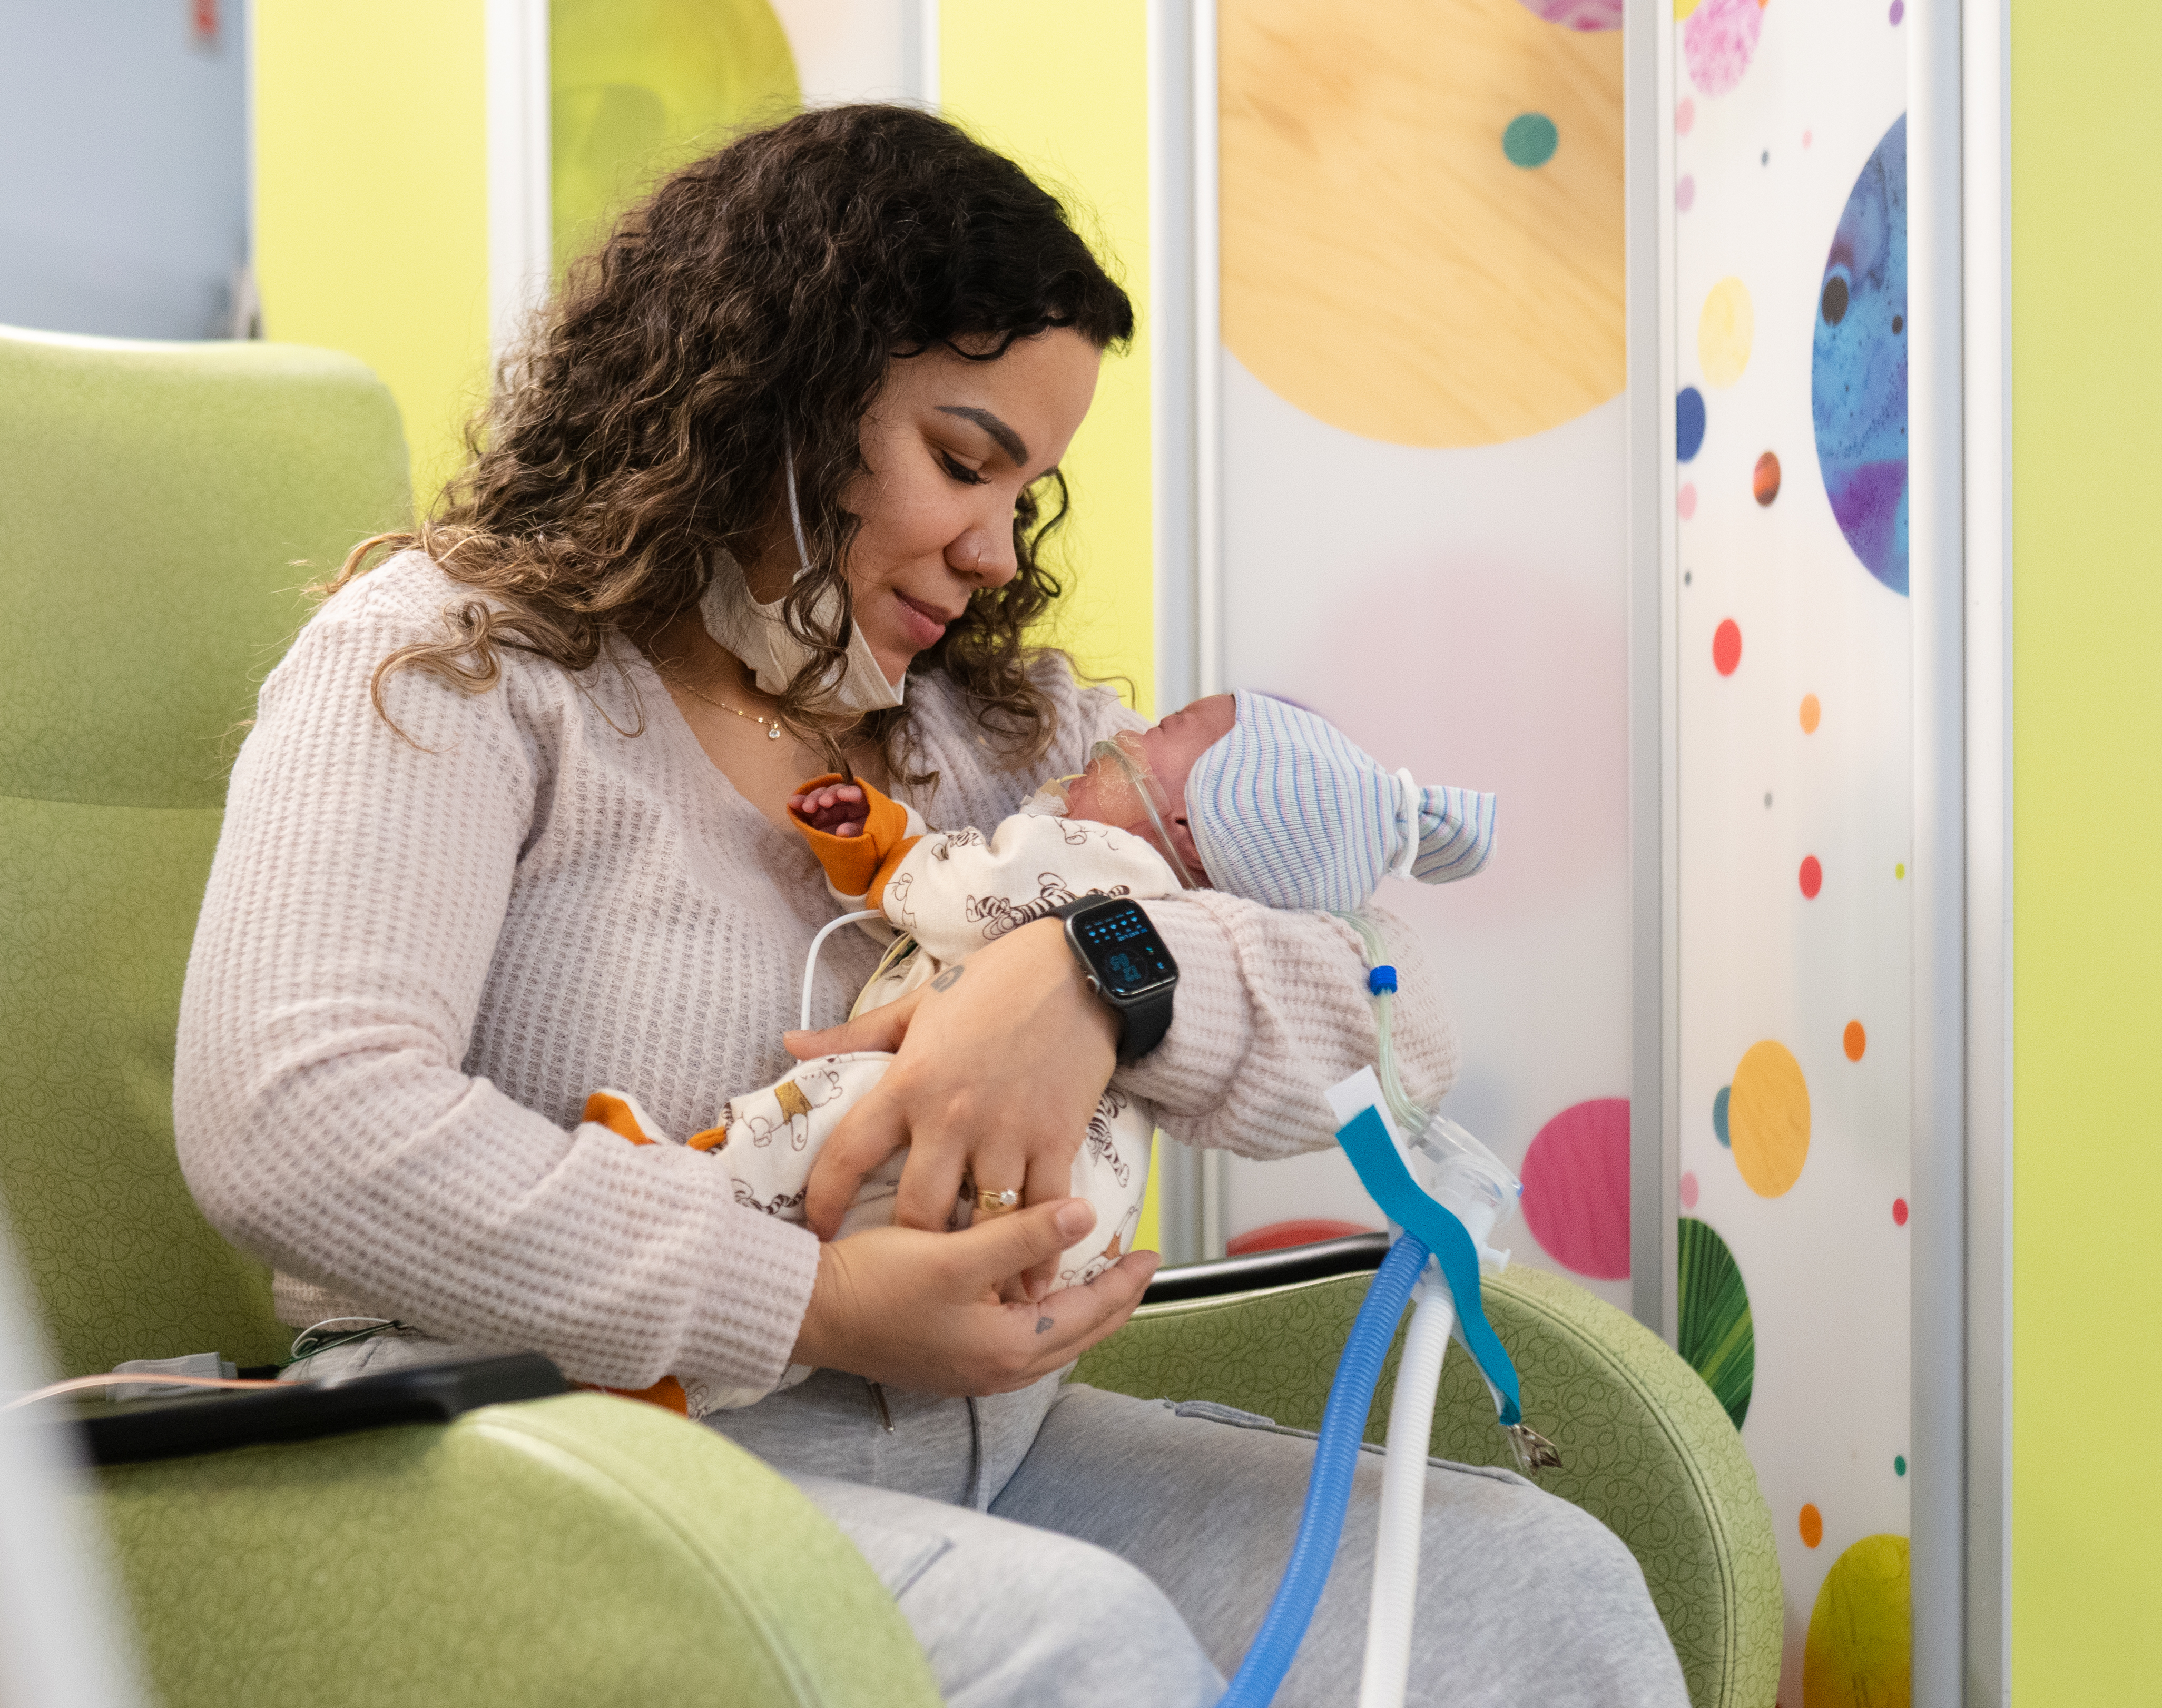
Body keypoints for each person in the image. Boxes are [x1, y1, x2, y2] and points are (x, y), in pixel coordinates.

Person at [175, 103, 1681, 1706]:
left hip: (981, 1458)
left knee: (1536, 1592)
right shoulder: (459, 661)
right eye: (962, 460)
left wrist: (1094, 973)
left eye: (1021, 490)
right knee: (1073, 1646)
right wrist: (813, 1297)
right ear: (773, 389)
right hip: (542, 1450)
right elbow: (295, 1114)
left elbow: (1401, 1021)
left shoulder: (996, 735)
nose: (987, 546)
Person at [667, 691, 1501, 1416]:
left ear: (1184, 824)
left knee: (843, 1110)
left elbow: (971, 892)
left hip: (969, 1185)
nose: (1130, 733)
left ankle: (713, 1175)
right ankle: (689, 1380)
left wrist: (892, 853)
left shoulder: (1097, 852)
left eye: (1170, 725)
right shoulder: (1164, 866)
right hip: (1067, 1227)